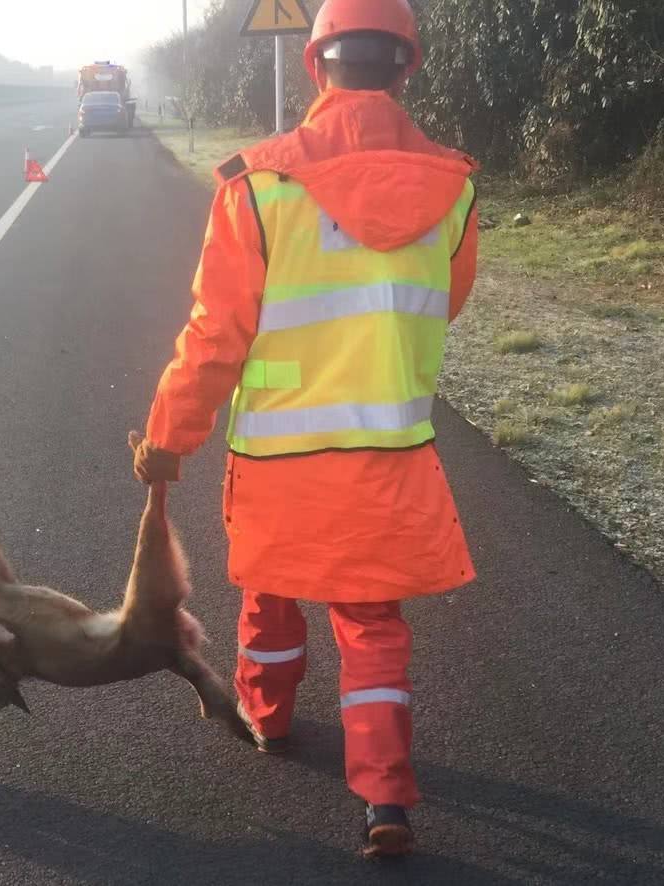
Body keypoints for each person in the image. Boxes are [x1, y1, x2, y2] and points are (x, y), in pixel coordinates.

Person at [130, 0, 480, 858]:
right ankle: (386, 799)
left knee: (270, 597)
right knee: (372, 628)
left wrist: (170, 435)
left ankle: (268, 716)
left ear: (317, 66)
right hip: (386, 456)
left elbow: (216, 336)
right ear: (407, 68)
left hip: (280, 458)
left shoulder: (257, 185)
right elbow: (448, 301)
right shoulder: (455, 186)